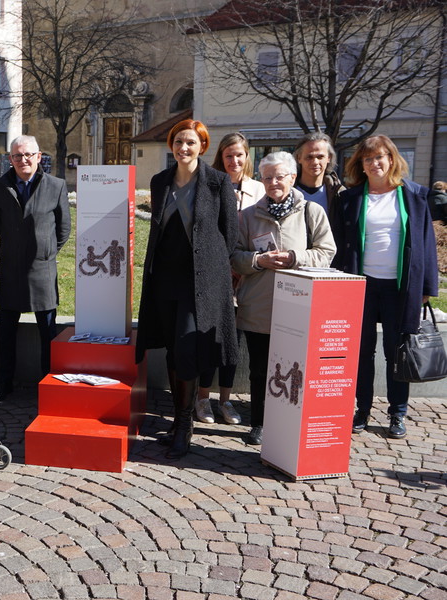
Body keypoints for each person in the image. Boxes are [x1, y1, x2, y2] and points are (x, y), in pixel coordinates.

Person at [135, 119, 239, 460]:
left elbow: (229, 236)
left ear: (202, 146)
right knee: (170, 350)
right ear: (171, 145)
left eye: (191, 142)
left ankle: (184, 427)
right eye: (179, 141)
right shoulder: (160, 181)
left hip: (200, 285)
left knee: (187, 350)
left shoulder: (218, 182)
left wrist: (216, 281)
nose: (184, 148)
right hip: (165, 280)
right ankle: (177, 424)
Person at [330, 135, 438, 439]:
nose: (374, 163)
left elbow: (427, 244)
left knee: (396, 352)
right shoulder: (350, 198)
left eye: (380, 157)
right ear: (360, 165)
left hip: (399, 288)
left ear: (392, 159)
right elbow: (339, 244)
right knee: (361, 352)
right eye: (367, 159)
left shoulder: (414, 195)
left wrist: (427, 287)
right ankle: (361, 410)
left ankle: (397, 413)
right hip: (359, 286)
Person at [232, 152, 336, 446]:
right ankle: (259, 423)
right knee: (260, 369)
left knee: (296, 369)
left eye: (280, 176)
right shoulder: (248, 215)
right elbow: (235, 257)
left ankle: (292, 422)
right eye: (267, 177)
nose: (273, 182)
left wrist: (294, 257)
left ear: (292, 177)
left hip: (300, 307)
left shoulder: (311, 212)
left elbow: (327, 252)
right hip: (259, 305)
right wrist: (258, 260)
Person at [0, 135, 71, 397]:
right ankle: (4, 385)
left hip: (43, 270)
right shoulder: (1, 186)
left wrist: (45, 251)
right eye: (17, 155)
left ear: (39, 156)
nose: (23, 159)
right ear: (11, 159)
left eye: (28, 155)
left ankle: (47, 386)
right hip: (11, 270)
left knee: (47, 332)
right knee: (6, 334)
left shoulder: (56, 186)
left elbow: (63, 228)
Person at [196, 132, 265, 425]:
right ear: (220, 158)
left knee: (232, 345)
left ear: (247, 156)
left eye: (239, 155)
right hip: (215, 274)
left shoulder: (259, 189)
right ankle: (202, 399)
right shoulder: (208, 184)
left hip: (247, 276)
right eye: (228, 155)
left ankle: (225, 401)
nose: (234, 161)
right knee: (210, 341)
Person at [293, 131, 344, 215]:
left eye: (320, 157)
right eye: (309, 157)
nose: (315, 162)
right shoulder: (287, 191)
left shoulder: (339, 194)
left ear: (329, 158)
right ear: (299, 158)